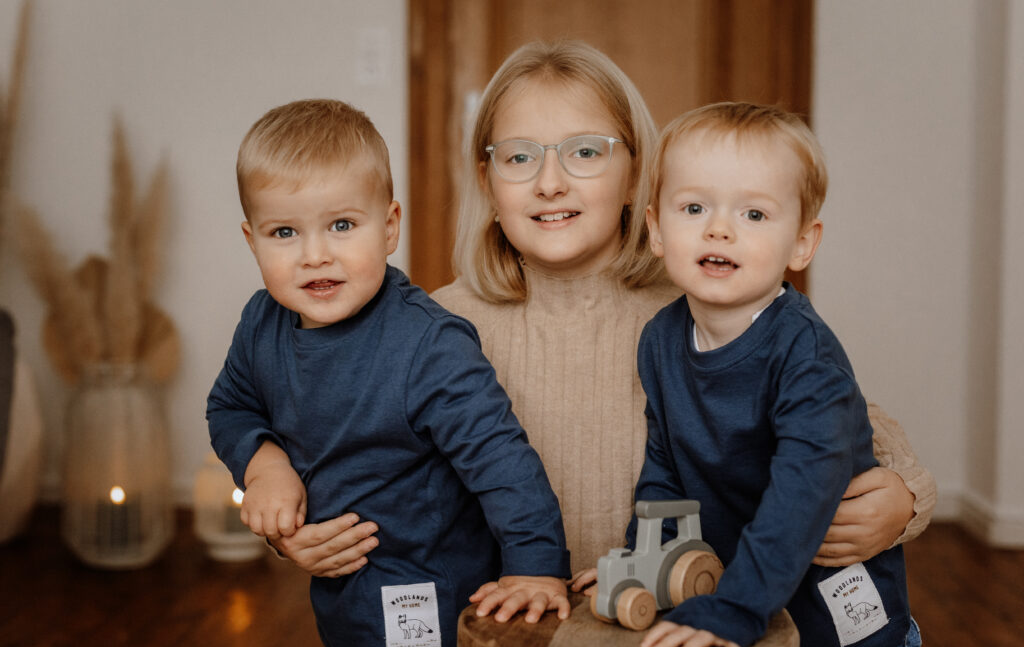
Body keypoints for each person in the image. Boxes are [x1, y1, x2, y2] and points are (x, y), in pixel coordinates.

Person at [271, 40, 935, 595]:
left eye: (585, 151)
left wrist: (906, 497)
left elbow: (851, 418)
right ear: (489, 183)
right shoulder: (427, 325)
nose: (550, 182)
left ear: (635, 175)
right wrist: (287, 521)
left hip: (670, 632)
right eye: (520, 155)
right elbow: (329, 441)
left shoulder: (701, 313)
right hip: (501, 637)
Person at [206, 99, 571, 647]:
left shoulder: (428, 345)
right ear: (252, 240)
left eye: (342, 225)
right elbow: (230, 405)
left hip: (429, 597)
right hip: (341, 599)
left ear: (391, 226)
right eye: (284, 232)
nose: (315, 254)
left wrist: (536, 568)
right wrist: (262, 463)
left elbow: (502, 460)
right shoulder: (261, 323)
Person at [634, 102, 918, 647]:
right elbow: (665, 464)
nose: (720, 228)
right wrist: (649, 561)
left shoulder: (804, 356)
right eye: (693, 207)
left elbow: (800, 493)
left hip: (841, 634)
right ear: (656, 230)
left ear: (802, 244)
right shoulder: (661, 339)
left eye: (755, 214)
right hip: (744, 621)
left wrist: (736, 606)